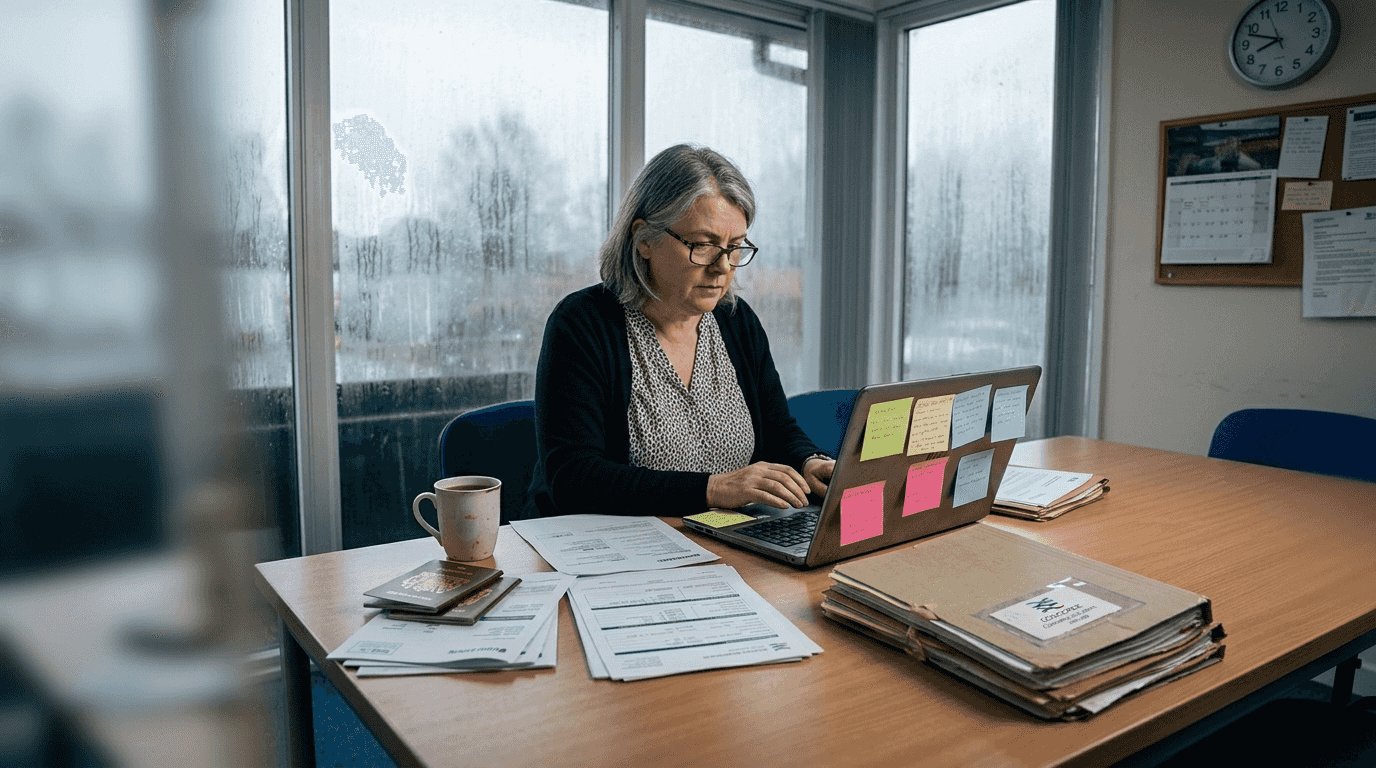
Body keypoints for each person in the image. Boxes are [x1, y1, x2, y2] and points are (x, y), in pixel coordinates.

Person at [525, 144, 835, 518]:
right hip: (600, 547)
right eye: (703, 245)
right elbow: (574, 479)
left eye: (735, 247)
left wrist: (809, 461)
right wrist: (712, 490)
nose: (723, 267)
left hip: (716, 539)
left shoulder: (737, 321)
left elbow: (778, 430)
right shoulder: (581, 324)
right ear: (644, 239)